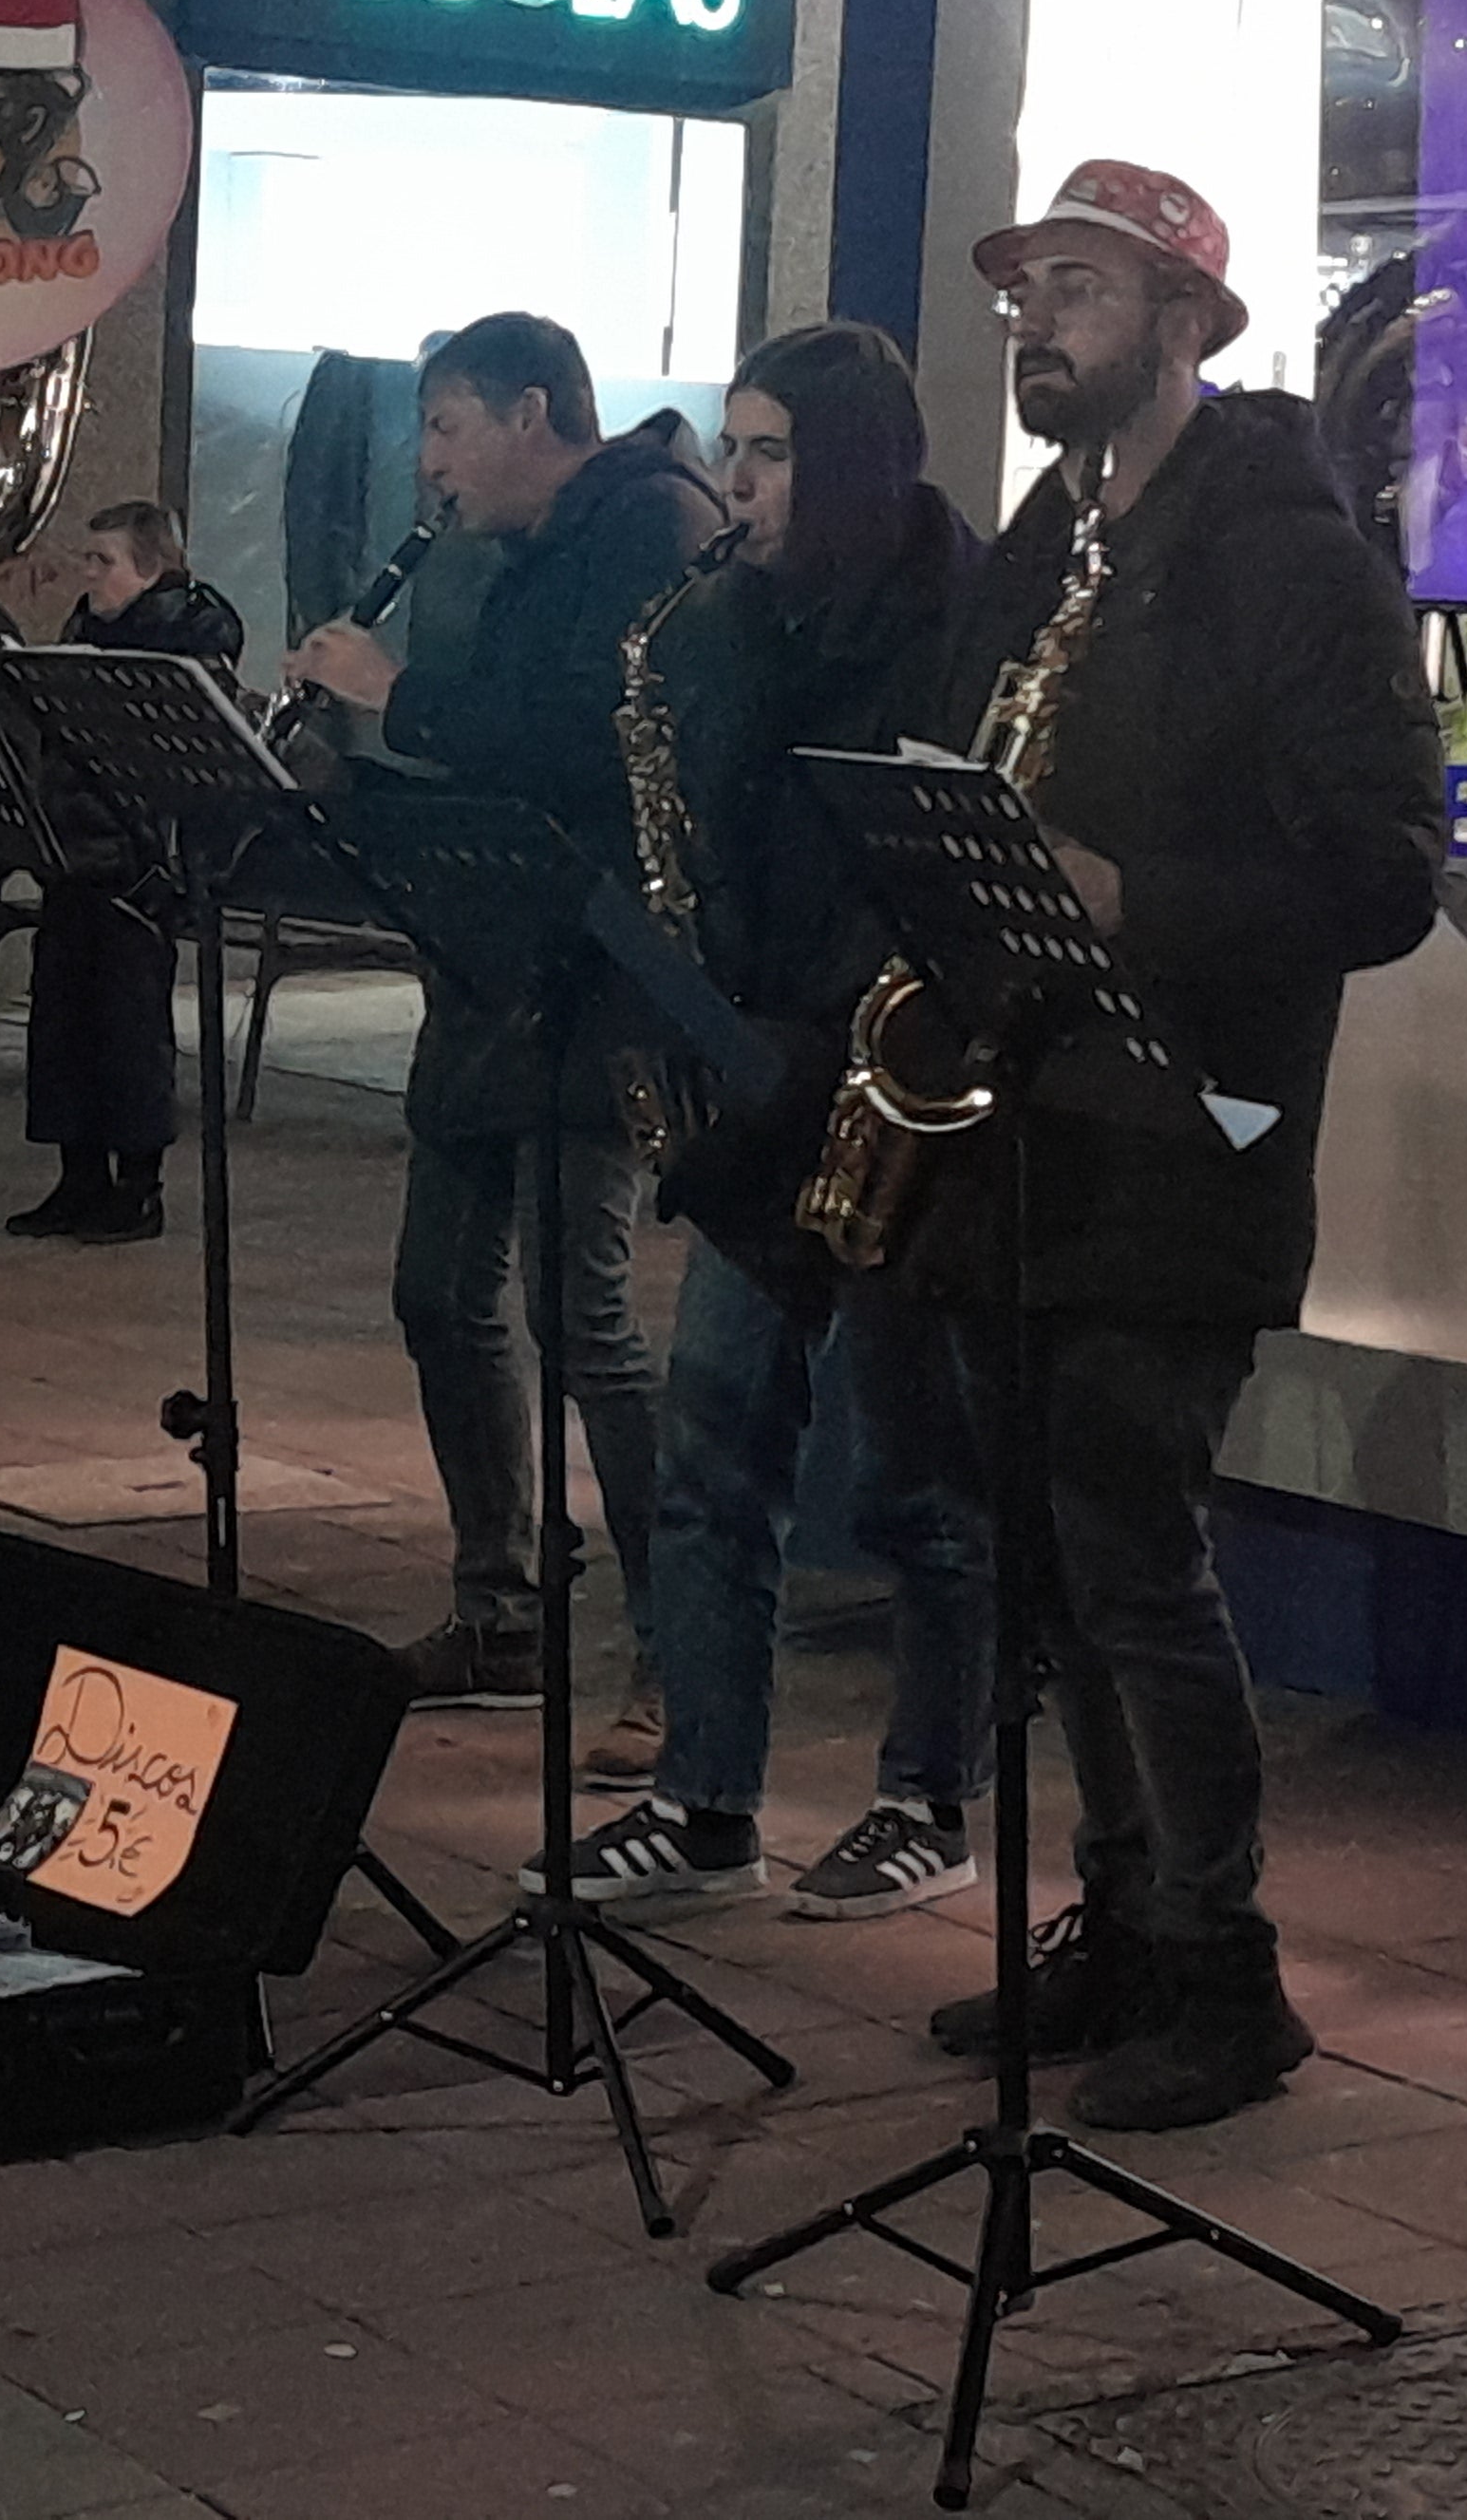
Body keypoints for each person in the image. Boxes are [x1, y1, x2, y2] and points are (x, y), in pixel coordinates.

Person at [905, 161, 1444, 2129]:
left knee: (1137, 1569)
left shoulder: (1289, 556)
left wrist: (1134, 894)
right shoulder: (1054, 533)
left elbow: (1389, 875)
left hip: (1183, 1133)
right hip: (1024, 1126)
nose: (1040, 323)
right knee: (1046, 1570)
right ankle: (1120, 1928)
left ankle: (1227, 1972)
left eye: (1080, 288)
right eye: (1027, 292)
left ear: (1189, 320)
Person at [523, 324, 1008, 1901]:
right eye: (735, 447)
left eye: (771, 450)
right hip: (756, 1091)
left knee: (914, 1484)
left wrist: (834, 1024)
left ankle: (931, 1799)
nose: (736, 481)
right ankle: (705, 1798)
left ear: (852, 459)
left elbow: (950, 855)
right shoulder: (724, 620)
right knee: (716, 1453)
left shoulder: (962, 613)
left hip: (894, 1089)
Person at [284, 313, 723, 1726]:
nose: (430, 465)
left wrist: (390, 692)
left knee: (581, 1316)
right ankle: (500, 1607)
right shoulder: (526, 550)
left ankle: (679, 1646)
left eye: (447, 429)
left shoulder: (646, 526)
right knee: (439, 1293)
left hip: (592, 976)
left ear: (533, 412)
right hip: (492, 966)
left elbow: (573, 735)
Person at [9, 499, 244, 1244]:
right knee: (62, 1020)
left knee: (127, 1030)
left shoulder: (189, 639)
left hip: (141, 866)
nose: (89, 576)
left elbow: (187, 761)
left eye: (103, 562)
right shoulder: (90, 628)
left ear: (153, 569)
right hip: (72, 854)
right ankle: (78, 1179)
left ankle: (137, 1188)